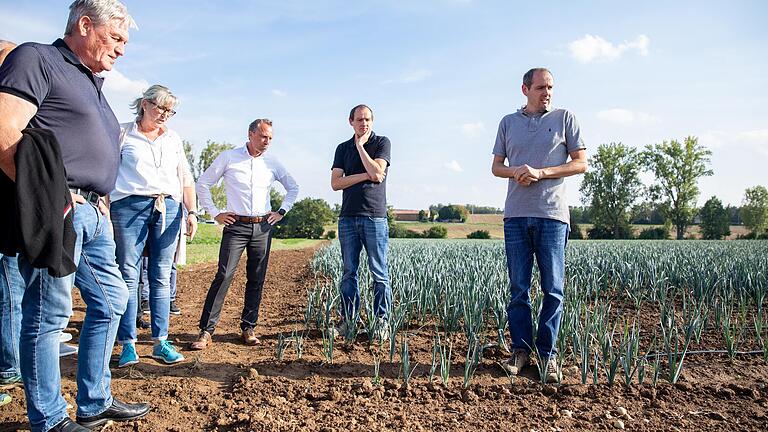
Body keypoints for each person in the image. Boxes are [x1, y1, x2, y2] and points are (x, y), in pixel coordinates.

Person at [0, 1, 151, 430]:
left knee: (112, 301)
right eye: (117, 38)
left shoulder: (90, 80)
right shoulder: (37, 58)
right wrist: (49, 198)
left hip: (94, 213)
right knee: (49, 314)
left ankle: (95, 399)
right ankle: (48, 419)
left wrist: (97, 200)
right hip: (61, 210)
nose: (122, 50)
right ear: (85, 25)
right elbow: (2, 128)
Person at [491, 67, 587, 383]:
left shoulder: (565, 118)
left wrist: (541, 173)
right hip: (516, 215)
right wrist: (517, 171)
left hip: (552, 216)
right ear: (525, 90)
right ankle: (520, 350)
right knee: (518, 288)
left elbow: (580, 163)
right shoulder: (508, 122)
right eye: (541, 87)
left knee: (553, 289)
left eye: (550, 87)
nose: (547, 92)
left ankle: (548, 356)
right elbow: (496, 167)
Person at [190, 119, 298, 350]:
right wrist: (216, 213)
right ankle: (206, 331)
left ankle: (248, 327)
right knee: (224, 274)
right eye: (263, 136)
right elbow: (203, 183)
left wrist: (281, 211)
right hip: (236, 226)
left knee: (256, 278)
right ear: (250, 134)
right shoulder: (229, 157)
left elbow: (293, 187)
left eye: (270, 137)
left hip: (262, 227)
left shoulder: (273, 162)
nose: (267, 141)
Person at [110, 85, 197, 368]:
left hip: (168, 208)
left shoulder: (173, 138)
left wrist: (192, 212)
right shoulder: (122, 132)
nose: (165, 115)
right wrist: (102, 199)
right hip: (129, 206)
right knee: (128, 273)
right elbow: (107, 168)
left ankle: (161, 342)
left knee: (161, 275)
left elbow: (185, 177)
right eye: (161, 108)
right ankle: (128, 344)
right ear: (145, 104)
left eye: (170, 111)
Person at [330, 104, 392, 341]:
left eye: (367, 119)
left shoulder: (382, 142)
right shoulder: (342, 148)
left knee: (379, 273)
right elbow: (336, 183)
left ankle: (382, 323)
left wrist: (361, 148)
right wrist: (366, 174)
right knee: (349, 273)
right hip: (347, 218)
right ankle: (348, 322)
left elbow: (378, 173)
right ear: (351, 122)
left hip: (374, 217)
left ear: (372, 121)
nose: (363, 123)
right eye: (359, 120)